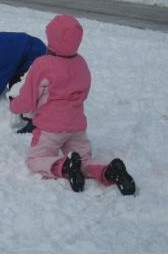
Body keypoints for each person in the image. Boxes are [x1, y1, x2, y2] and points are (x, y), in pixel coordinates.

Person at [10, 14, 136, 195]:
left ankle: (65, 167)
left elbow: (28, 99)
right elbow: (84, 92)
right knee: (84, 161)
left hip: (49, 129)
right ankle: (108, 170)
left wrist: (14, 106)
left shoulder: (43, 64)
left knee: (36, 159)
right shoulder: (81, 63)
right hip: (76, 126)